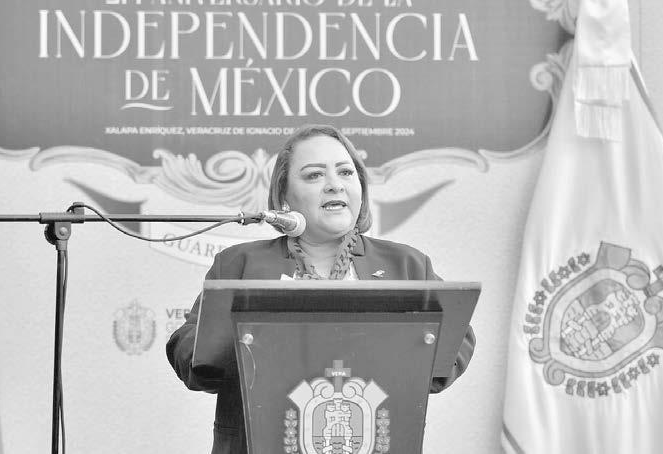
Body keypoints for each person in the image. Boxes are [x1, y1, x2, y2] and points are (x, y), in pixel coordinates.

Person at [166, 124, 476, 454]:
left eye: (346, 172)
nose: (334, 184)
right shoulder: (240, 264)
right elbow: (187, 347)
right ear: (284, 196)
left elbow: (456, 342)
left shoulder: (407, 266)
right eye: (314, 175)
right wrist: (246, 346)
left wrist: (396, 353)